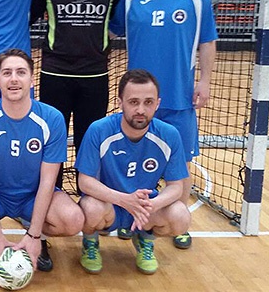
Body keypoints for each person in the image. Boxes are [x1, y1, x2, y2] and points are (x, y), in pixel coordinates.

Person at [109, 0, 218, 248]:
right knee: (133, 160)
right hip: (137, 100)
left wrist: (205, 81)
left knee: (180, 165)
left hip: (179, 96)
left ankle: (177, 222)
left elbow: (207, 41)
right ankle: (131, 219)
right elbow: (110, 31)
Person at [0, 49, 84, 272]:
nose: (13, 79)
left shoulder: (51, 119)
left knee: (73, 220)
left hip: (33, 196)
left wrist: (34, 234)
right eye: (7, 73)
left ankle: (37, 239)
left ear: (32, 80)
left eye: (21, 72)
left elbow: (48, 182)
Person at [30, 0, 124, 188]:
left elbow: (117, 22)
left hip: (95, 75)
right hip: (55, 74)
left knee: (90, 142)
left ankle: (90, 196)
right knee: (52, 142)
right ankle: (53, 195)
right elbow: (30, 16)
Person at [76, 69, 191, 275]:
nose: (140, 109)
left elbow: (176, 187)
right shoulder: (99, 130)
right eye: (133, 102)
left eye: (148, 102)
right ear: (120, 102)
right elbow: (85, 182)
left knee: (180, 216)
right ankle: (90, 242)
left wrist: (152, 205)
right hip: (110, 204)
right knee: (89, 208)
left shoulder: (169, 135)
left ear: (157, 104)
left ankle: (145, 239)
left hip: (144, 206)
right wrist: (124, 200)